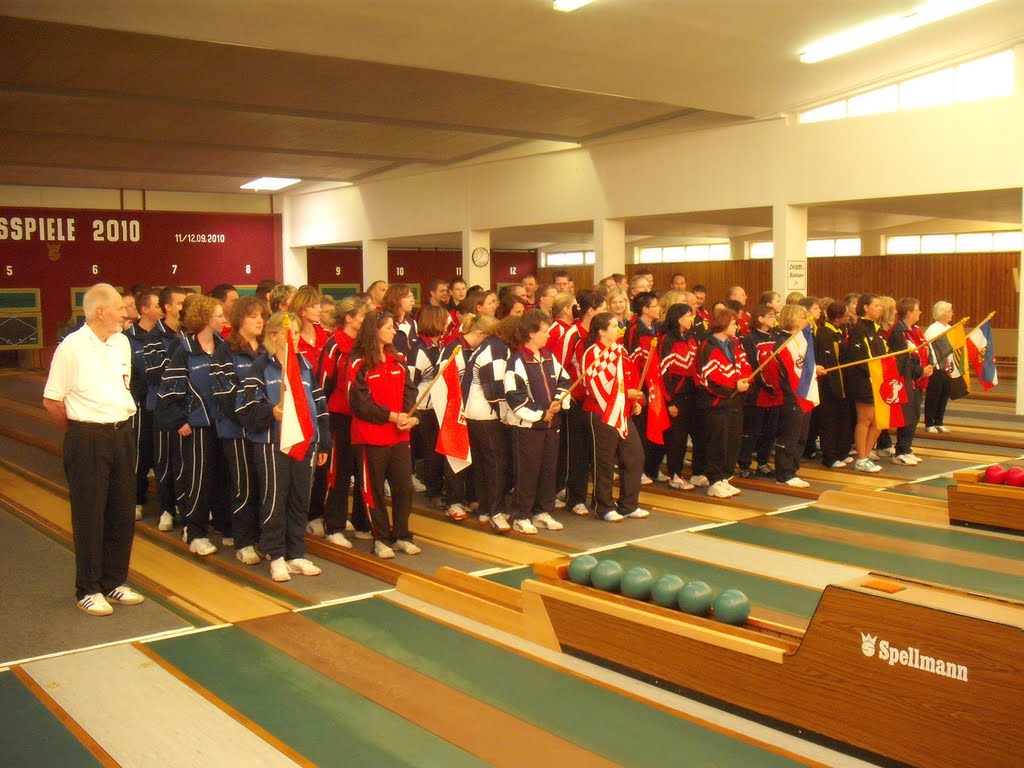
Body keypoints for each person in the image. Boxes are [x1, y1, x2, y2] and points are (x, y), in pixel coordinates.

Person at [43, 283, 145, 616]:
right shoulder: (71, 347)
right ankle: (88, 588)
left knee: (121, 512)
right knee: (90, 515)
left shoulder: (122, 343)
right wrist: (80, 430)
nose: (126, 313)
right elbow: (52, 401)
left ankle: (114, 581)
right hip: (87, 437)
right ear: (100, 311)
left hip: (122, 434)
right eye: (119, 307)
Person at [237, 312, 328, 581]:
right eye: (289, 333)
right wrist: (270, 412)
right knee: (275, 499)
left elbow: (319, 405)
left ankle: (296, 553)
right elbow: (245, 407)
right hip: (272, 443)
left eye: (297, 333)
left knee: (300, 499)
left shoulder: (305, 366)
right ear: (274, 336)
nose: (295, 338)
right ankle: (275, 554)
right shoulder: (260, 367)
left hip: (305, 442)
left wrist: (323, 440)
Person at [157, 295, 228, 555]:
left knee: (223, 477)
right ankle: (195, 531)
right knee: (198, 480)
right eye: (219, 315)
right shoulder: (184, 349)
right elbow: (169, 389)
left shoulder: (224, 347)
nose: (224, 319)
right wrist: (180, 420)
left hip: (222, 425)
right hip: (197, 426)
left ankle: (223, 524)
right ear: (206, 319)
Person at [347, 310, 421, 559]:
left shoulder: (397, 359)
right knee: (375, 490)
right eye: (388, 327)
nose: (393, 331)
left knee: (404, 488)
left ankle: (401, 535)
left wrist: (410, 415)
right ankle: (380, 538)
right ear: (374, 330)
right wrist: (391, 416)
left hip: (399, 435)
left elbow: (410, 391)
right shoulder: (358, 362)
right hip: (370, 437)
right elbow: (359, 403)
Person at [504, 309, 571, 533]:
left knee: (548, 470)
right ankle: (521, 515)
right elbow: (515, 397)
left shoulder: (549, 357)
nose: (548, 335)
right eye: (544, 331)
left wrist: (558, 400)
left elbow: (564, 381)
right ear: (531, 334)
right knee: (527, 472)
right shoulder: (517, 361)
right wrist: (541, 414)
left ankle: (543, 512)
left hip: (552, 426)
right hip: (528, 428)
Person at [210, 296, 265, 565]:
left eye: (261, 316)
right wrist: (250, 419)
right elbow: (225, 394)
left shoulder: (266, 349)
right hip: (237, 431)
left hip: (263, 430)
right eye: (253, 316)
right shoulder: (226, 351)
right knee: (243, 486)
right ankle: (243, 541)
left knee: (263, 485)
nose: (260, 321)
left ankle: (263, 537)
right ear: (239, 320)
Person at [581, 312, 649, 522]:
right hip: (601, 413)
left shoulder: (621, 351)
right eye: (613, 326)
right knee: (604, 461)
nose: (618, 329)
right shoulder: (593, 353)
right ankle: (604, 507)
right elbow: (594, 386)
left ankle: (629, 504)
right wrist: (625, 395)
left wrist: (635, 401)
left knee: (635, 456)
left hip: (623, 413)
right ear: (602, 331)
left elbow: (631, 378)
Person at [318, 297, 369, 545]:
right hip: (338, 417)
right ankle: (334, 526)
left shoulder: (365, 344)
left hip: (362, 417)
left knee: (362, 470)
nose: (366, 320)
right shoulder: (335, 345)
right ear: (349, 318)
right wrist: (323, 418)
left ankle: (362, 522)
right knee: (338, 472)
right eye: (362, 315)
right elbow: (323, 384)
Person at [558, 290, 605, 517]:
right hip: (577, 401)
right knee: (576, 452)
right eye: (603, 309)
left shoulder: (600, 334)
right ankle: (574, 498)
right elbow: (558, 365)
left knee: (594, 452)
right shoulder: (572, 334)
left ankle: (598, 497)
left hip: (597, 402)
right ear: (591, 311)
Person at [143, 285, 187, 531]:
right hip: (163, 410)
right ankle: (166, 509)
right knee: (165, 462)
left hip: (186, 409)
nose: (183, 308)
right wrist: (178, 351)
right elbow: (155, 374)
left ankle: (184, 507)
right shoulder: (154, 336)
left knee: (184, 463)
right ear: (167, 307)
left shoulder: (189, 334)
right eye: (180, 303)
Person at [696, 307, 751, 498]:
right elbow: (711, 379)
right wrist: (734, 386)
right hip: (715, 405)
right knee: (717, 444)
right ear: (723, 324)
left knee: (732, 442)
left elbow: (745, 366)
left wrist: (744, 380)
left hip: (734, 402)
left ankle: (725, 477)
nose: (737, 327)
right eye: (734, 323)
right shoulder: (708, 346)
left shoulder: (734, 344)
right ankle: (714, 480)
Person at [773, 304, 822, 488]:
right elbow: (789, 370)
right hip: (791, 394)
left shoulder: (802, 338)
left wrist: (814, 369)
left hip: (803, 393)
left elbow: (803, 364)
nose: (806, 320)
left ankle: (793, 469)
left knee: (801, 436)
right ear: (791, 318)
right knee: (790, 436)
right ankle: (784, 473)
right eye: (802, 316)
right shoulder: (783, 342)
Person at [843, 294, 888, 473]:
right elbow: (859, 359)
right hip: (864, 382)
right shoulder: (858, 329)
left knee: (879, 421)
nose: (880, 308)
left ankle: (866, 455)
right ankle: (861, 459)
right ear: (865, 307)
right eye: (876, 305)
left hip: (880, 382)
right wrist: (874, 374)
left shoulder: (876, 329)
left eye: (880, 306)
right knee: (865, 420)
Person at [738, 304, 782, 479]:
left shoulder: (775, 337)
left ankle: (763, 462)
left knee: (770, 432)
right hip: (758, 393)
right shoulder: (750, 340)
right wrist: (765, 384)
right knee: (752, 431)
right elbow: (752, 366)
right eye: (770, 316)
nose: (774, 319)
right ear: (760, 318)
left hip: (775, 392)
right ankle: (745, 463)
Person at [658, 303, 698, 491]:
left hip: (693, 395)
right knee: (677, 439)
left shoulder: (691, 338)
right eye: (688, 316)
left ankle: (697, 473)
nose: (691, 319)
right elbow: (663, 372)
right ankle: (675, 474)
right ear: (678, 318)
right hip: (677, 396)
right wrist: (670, 401)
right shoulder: (667, 340)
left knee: (695, 435)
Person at [889, 298, 934, 464]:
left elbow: (925, 351)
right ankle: (900, 451)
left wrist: (928, 367)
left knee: (914, 415)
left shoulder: (916, 330)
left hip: (919, 380)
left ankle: (907, 448)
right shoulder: (898, 332)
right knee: (907, 415)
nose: (920, 312)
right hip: (906, 379)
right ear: (909, 313)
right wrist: (920, 371)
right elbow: (903, 359)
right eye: (917, 309)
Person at [815, 301, 853, 469]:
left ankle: (841, 452)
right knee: (830, 423)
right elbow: (828, 362)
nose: (849, 318)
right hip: (830, 387)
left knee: (843, 420)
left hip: (843, 385)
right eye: (846, 315)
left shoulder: (839, 331)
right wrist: (834, 388)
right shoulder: (825, 334)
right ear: (837, 317)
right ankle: (829, 456)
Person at [924, 300, 955, 433]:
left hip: (948, 367)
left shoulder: (950, 328)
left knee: (944, 394)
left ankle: (939, 421)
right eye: (949, 311)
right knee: (934, 395)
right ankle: (929, 423)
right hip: (936, 368)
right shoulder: (933, 329)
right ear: (941, 313)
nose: (952, 313)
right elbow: (929, 349)